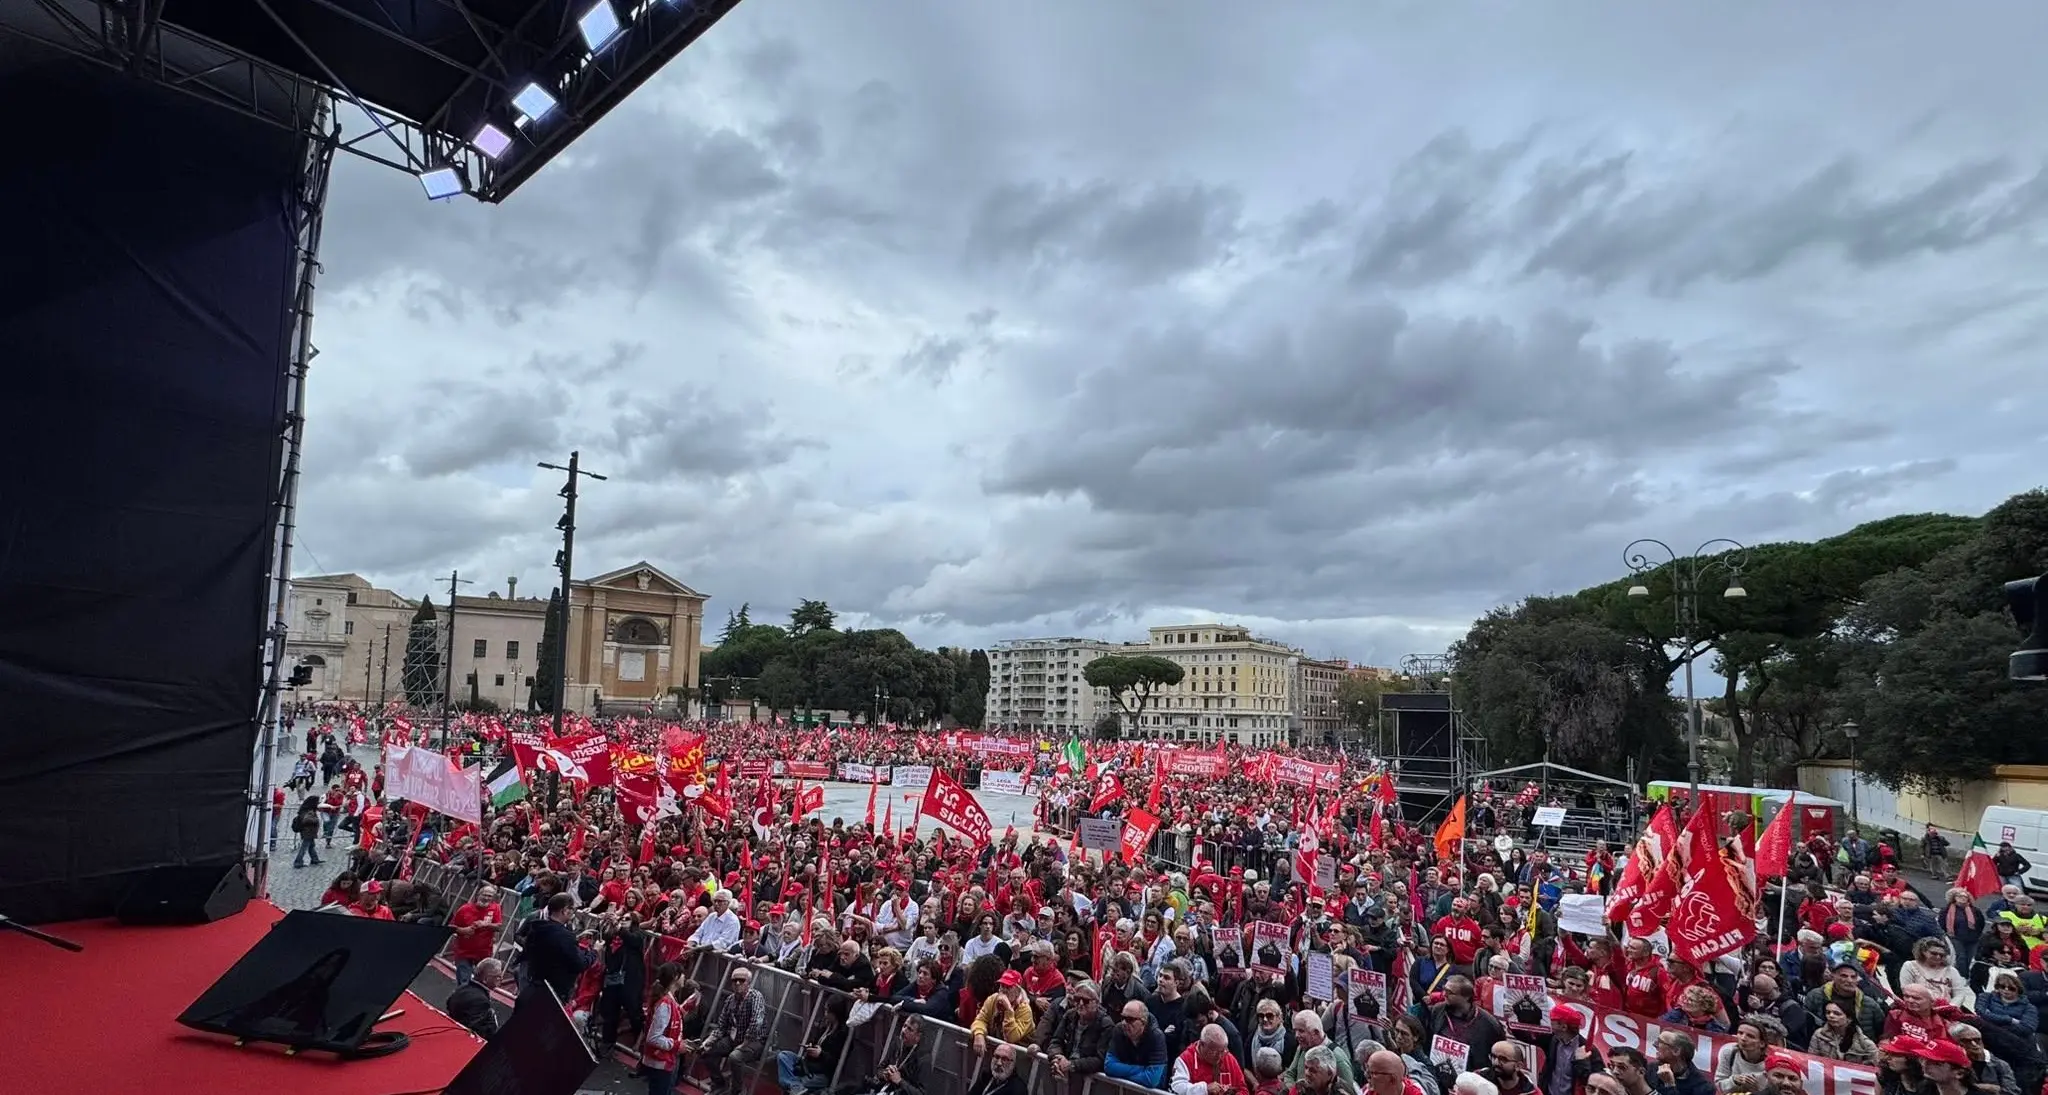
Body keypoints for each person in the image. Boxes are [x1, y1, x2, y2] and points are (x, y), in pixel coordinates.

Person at [639, 962, 689, 1095]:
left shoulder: (669, 1000)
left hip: (666, 1060)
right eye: (682, 974)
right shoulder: (665, 1004)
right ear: (675, 977)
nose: (685, 977)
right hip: (661, 1062)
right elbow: (653, 1037)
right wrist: (677, 1045)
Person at [1171, 1023, 1248, 1095]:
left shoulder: (1228, 1058)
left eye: (1222, 1051)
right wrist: (1204, 1089)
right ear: (1201, 1044)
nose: (1219, 1056)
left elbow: (1243, 1089)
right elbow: (1177, 1088)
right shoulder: (1185, 1060)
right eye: (1214, 1052)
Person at [446, 957, 505, 1038]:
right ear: (486, 979)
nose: (501, 979)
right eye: (498, 976)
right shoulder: (481, 1001)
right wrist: (492, 1020)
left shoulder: (462, 988)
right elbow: (478, 1031)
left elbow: (449, 1003)